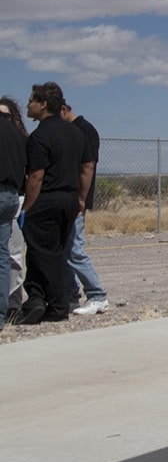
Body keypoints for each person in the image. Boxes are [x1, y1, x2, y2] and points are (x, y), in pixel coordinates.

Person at [11, 82, 91, 325]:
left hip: (46, 199)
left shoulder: (39, 137)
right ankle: (41, 299)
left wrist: (27, 208)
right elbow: (87, 167)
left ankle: (55, 305)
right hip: (69, 199)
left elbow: (36, 176)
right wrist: (80, 199)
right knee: (56, 251)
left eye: (32, 101)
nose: (28, 105)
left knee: (42, 253)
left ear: (43, 104)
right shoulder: (76, 133)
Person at [61, 102, 108, 315]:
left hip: (76, 200)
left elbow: (88, 165)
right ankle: (71, 295)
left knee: (74, 249)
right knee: (66, 248)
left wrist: (81, 197)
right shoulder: (75, 130)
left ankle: (97, 295)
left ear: (63, 109)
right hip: (70, 199)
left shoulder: (84, 130)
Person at [1, 96, 28, 320]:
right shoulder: (19, 138)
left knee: (12, 253)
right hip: (13, 197)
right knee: (8, 254)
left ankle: (12, 301)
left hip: (14, 196)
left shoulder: (16, 138)